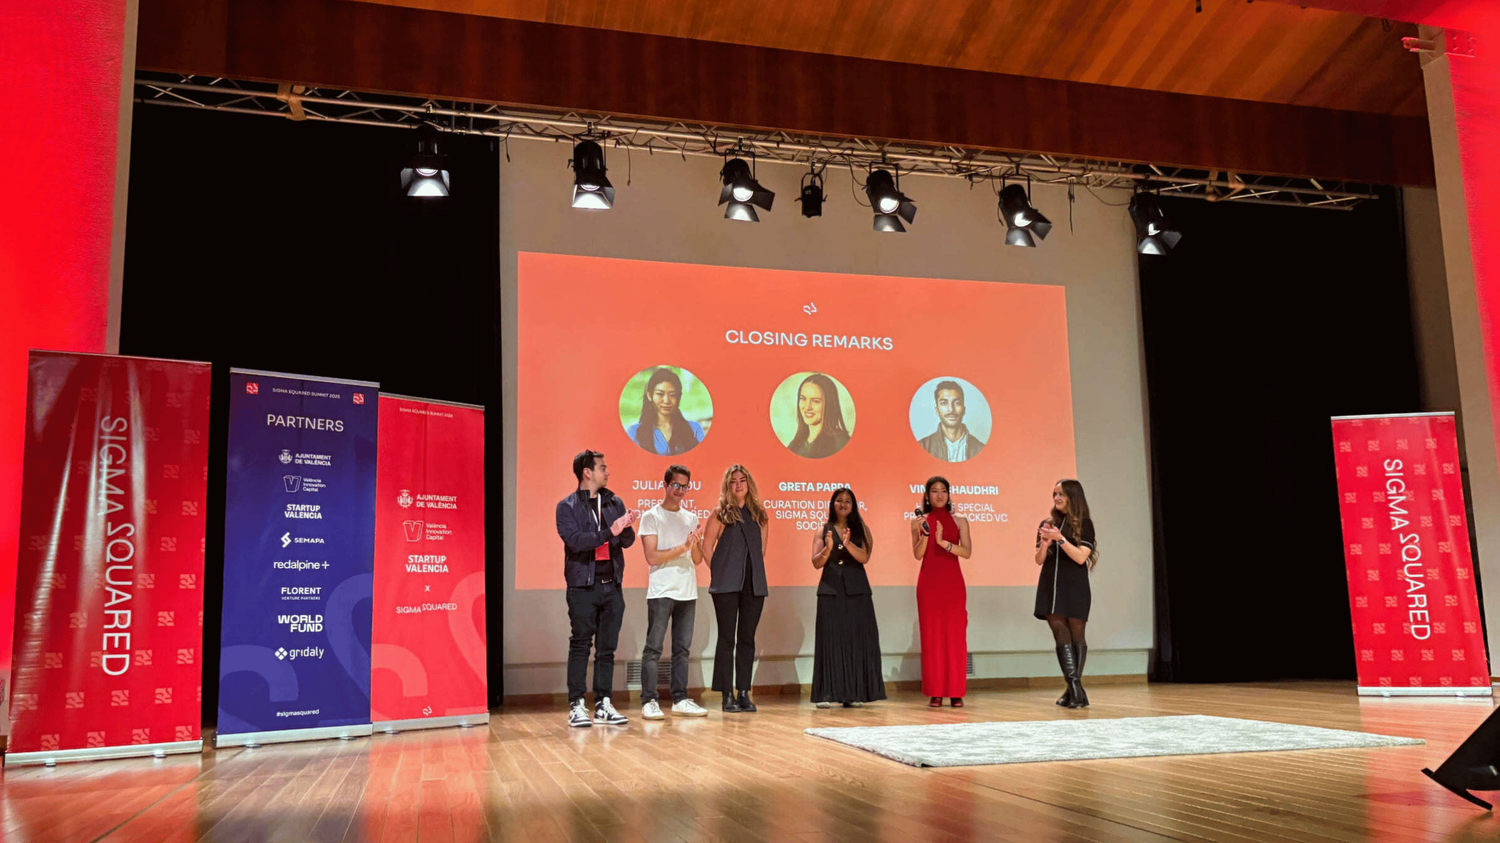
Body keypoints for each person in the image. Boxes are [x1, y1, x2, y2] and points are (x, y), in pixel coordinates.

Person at [555, 449, 639, 728]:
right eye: (603, 468)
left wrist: (626, 525)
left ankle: (604, 704)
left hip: (611, 585)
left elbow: (627, 541)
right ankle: (577, 704)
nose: (608, 472)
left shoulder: (614, 501)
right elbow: (576, 542)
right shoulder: (566, 507)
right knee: (581, 644)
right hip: (583, 587)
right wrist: (609, 532)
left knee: (607, 649)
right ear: (587, 472)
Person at [636, 464, 710, 719]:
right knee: (654, 648)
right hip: (662, 590)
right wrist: (683, 547)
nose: (680, 490)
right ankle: (649, 700)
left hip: (687, 591)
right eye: (676, 485)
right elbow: (652, 557)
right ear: (665, 485)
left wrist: (695, 544)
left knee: (682, 650)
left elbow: (697, 559)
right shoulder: (651, 516)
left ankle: (680, 699)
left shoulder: (691, 518)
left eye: (684, 486)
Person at [701, 464, 770, 712]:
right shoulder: (720, 513)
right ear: (727, 486)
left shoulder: (760, 515)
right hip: (726, 586)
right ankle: (726, 694)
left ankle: (743, 692)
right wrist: (720, 572)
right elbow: (707, 547)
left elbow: (761, 551)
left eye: (742, 480)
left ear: (749, 484)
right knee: (726, 638)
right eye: (733, 481)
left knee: (747, 638)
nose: (738, 485)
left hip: (754, 585)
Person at [810, 487, 886, 708]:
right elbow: (816, 562)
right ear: (832, 504)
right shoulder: (822, 530)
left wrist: (848, 543)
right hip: (830, 591)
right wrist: (828, 549)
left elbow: (865, 557)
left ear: (853, 506)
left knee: (856, 641)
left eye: (847, 501)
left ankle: (852, 693)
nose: (843, 505)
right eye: (839, 500)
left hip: (857, 592)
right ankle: (826, 693)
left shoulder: (861, 529)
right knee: (830, 641)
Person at [1034, 479, 1098, 708]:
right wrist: (1044, 544)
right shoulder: (1047, 523)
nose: (1057, 498)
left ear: (1073, 497)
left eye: (1061, 494)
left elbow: (1081, 557)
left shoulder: (1085, 523)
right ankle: (1075, 689)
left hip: (1075, 586)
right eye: (1055, 494)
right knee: (1060, 634)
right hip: (1051, 586)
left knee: (1077, 635)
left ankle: (1074, 691)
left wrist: (1059, 539)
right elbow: (1039, 559)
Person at [909, 476, 972, 707]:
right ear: (927, 496)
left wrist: (944, 543)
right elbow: (917, 554)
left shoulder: (960, 520)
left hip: (953, 583)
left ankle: (956, 691)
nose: (939, 495)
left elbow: (966, 552)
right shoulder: (918, 522)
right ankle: (935, 691)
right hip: (929, 584)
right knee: (932, 638)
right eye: (934, 491)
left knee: (955, 638)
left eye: (943, 490)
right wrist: (927, 536)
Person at [626, 368, 704, 456]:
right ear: (649, 396)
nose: (666, 400)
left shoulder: (694, 429)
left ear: (678, 397)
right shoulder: (634, 433)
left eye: (672, 395)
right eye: (660, 394)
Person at [786, 373, 851, 459]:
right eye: (803, 399)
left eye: (815, 401)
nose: (807, 407)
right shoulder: (795, 445)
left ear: (829, 405)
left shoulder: (841, 443)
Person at [918, 380, 985, 462]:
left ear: (964, 409)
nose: (951, 409)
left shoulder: (980, 449)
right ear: (937, 410)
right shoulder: (923, 447)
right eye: (944, 403)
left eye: (957, 403)